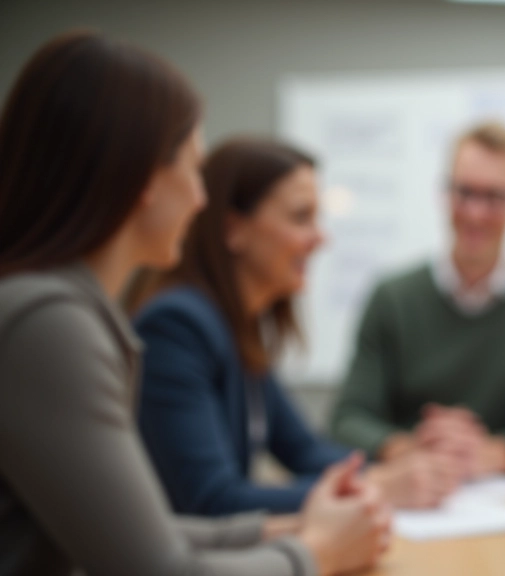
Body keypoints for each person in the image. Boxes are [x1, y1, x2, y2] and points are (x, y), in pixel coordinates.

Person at [0, 32, 388, 576]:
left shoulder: (62, 309)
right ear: (141, 177)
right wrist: (317, 553)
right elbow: (158, 566)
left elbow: (144, 533)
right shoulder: (50, 321)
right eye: (192, 169)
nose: (201, 199)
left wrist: (294, 528)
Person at [127, 138, 460, 516]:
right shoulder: (177, 327)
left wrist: (406, 467)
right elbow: (214, 500)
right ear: (233, 230)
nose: (320, 238)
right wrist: (378, 485)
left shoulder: (237, 328)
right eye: (301, 218)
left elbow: (305, 450)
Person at [329, 121, 505, 478]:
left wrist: (494, 453)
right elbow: (348, 418)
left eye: (494, 197)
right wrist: (411, 448)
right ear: (444, 194)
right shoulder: (392, 298)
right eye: (464, 192)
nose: (475, 213)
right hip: (408, 498)